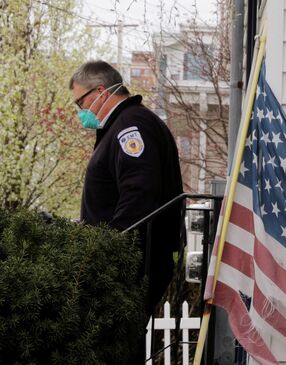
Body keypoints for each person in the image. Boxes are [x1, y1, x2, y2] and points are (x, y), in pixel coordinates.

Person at [69, 60, 183, 361]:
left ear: (101, 91)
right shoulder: (123, 125)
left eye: (81, 101)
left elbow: (139, 195)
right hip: (128, 261)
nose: (81, 111)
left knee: (117, 348)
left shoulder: (131, 127)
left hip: (131, 263)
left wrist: (111, 247)